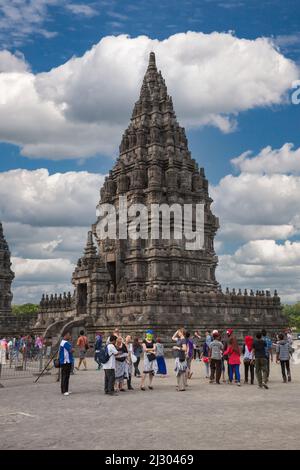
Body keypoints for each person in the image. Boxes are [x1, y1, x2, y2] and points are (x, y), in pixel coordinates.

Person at [59, 331, 74, 396]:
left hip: (63, 361)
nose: (70, 336)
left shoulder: (62, 342)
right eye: (69, 335)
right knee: (66, 376)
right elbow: (71, 350)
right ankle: (65, 390)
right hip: (66, 361)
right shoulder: (65, 343)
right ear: (65, 335)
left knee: (64, 376)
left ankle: (64, 389)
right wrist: (73, 349)